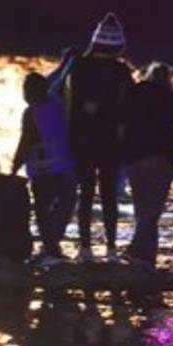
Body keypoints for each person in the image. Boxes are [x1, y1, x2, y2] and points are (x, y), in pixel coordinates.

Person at [62, 13, 134, 262]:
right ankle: (111, 249)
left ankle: (85, 249)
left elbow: (65, 99)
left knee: (85, 194)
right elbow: (128, 107)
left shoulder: (77, 66)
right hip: (110, 142)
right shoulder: (121, 71)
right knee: (108, 196)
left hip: (80, 140)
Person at [121, 62, 173, 268]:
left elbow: (124, 119)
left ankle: (145, 256)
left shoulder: (136, 93)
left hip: (135, 155)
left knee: (141, 208)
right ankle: (140, 253)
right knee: (152, 210)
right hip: (161, 156)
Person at [12, 72, 74, 266]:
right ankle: (53, 245)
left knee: (43, 212)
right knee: (64, 206)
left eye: (26, 89)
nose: (24, 94)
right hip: (65, 167)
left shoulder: (32, 113)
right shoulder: (59, 107)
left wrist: (14, 166)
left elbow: (26, 141)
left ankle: (50, 249)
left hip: (44, 169)